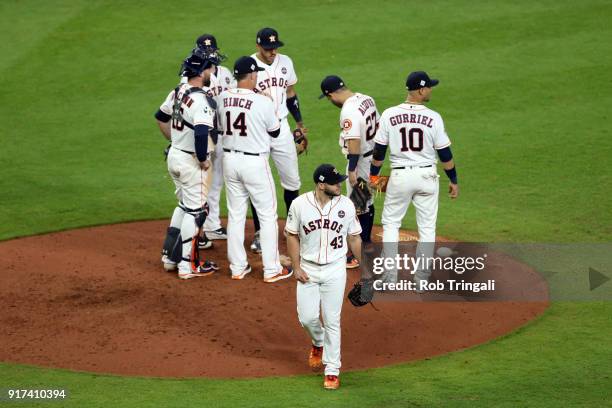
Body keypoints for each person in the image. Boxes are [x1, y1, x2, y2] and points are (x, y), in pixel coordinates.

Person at [370, 71, 459, 287]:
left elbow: (379, 151)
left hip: (400, 176)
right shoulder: (433, 117)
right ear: (421, 90)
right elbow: (445, 154)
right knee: (427, 228)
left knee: (391, 224)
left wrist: (373, 176)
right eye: (429, 87)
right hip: (427, 176)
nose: (430, 90)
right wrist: (453, 180)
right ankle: (421, 279)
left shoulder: (390, 114)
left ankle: (390, 278)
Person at [285, 164, 363, 390]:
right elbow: (291, 235)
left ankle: (332, 369)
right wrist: (297, 267)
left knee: (332, 320)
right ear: (321, 185)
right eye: (334, 182)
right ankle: (318, 341)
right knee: (307, 318)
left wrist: (365, 268)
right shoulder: (300, 204)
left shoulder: (346, 205)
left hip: (335, 269)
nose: (339, 184)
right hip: (308, 268)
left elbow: (355, 239)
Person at [217, 56, 293, 282]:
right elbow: (276, 132)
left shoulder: (222, 97)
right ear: (251, 76)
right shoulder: (263, 102)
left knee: (236, 214)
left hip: (230, 161)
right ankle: (272, 269)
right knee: (268, 215)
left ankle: (238, 267)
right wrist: (266, 101)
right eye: (256, 73)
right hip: (254, 164)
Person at [155, 48, 220, 279]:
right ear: (201, 71)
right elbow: (202, 132)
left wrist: (175, 141)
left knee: (184, 205)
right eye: (210, 67)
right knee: (196, 212)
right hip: (192, 162)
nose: (213, 70)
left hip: (175, 156)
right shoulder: (201, 100)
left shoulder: (178, 91)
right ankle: (187, 266)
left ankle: (170, 258)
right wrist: (202, 158)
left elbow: (160, 117)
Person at [249, 27, 307, 253]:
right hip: (258, 130)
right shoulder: (249, 67)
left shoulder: (285, 62)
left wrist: (299, 124)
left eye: (275, 47)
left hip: (281, 127)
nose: (272, 51)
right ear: (258, 47)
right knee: (258, 183)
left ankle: (293, 229)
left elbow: (290, 93)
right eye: (267, 48)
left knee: (292, 181)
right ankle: (259, 233)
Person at [319, 75, 379, 269]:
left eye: (328, 98)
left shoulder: (348, 110)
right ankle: (366, 244)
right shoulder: (366, 99)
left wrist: (352, 169)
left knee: (358, 205)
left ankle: (357, 253)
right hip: (373, 157)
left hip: (360, 161)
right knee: (367, 201)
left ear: (330, 94)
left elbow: (354, 142)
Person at [193, 34, 236, 243]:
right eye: (205, 52)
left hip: (226, 134)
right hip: (206, 135)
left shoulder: (226, 73)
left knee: (218, 182)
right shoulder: (193, 76)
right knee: (203, 183)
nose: (210, 55)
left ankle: (212, 225)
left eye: (211, 51)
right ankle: (199, 230)